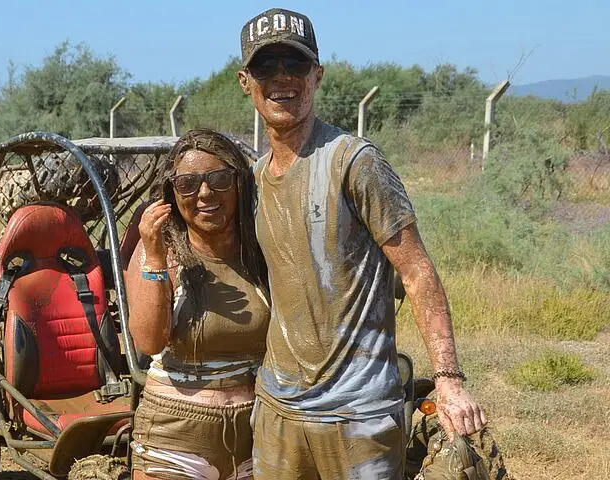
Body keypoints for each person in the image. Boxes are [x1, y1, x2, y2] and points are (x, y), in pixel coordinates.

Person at [236, 8, 488, 479]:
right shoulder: (252, 181)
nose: (282, 78)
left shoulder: (354, 162)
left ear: (317, 75)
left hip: (358, 415)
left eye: (295, 63)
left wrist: (449, 381)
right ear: (245, 81)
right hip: (278, 411)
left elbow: (416, 271)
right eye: (266, 66)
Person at [125, 128, 270, 480]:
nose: (205, 193)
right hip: (175, 435)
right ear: (172, 195)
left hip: (256, 433)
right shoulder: (160, 251)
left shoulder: (261, 252)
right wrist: (155, 258)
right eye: (187, 184)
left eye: (219, 179)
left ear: (239, 183)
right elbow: (148, 341)